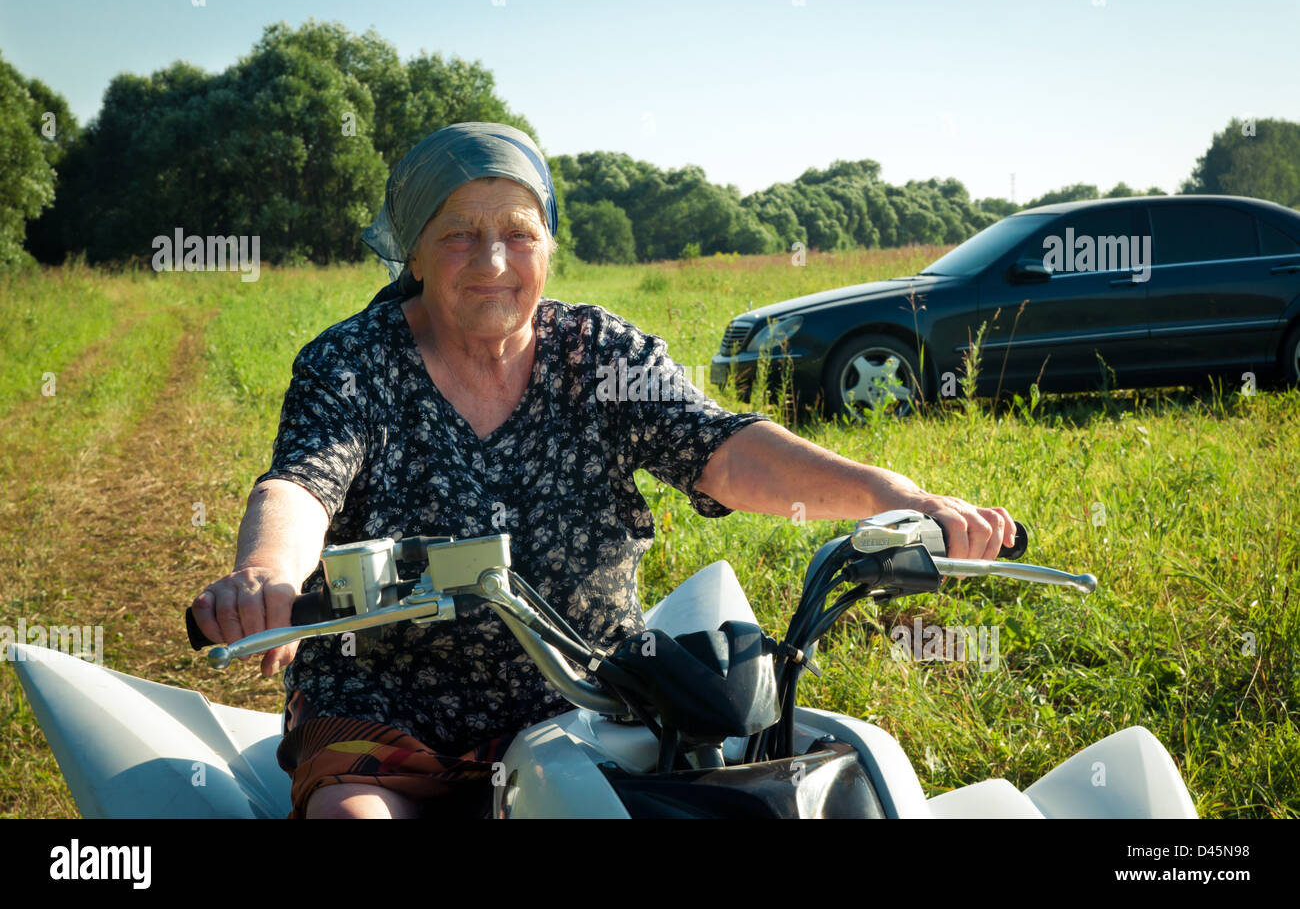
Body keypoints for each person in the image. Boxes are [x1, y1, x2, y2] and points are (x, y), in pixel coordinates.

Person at [189, 122, 1016, 819]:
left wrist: (897, 496)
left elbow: (723, 448)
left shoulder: (599, 354)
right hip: (390, 718)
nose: (494, 260)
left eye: (518, 231)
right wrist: (266, 570)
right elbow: (301, 483)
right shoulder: (353, 362)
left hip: (584, 709)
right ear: (412, 252)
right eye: (459, 235)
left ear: (549, 240)